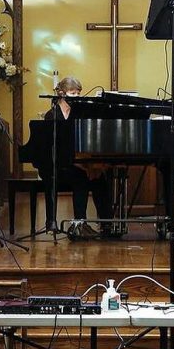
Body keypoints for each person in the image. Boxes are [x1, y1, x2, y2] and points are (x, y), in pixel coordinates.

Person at [37, 76, 113, 239]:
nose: (77, 97)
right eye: (73, 93)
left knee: (100, 178)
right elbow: (53, 148)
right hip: (59, 165)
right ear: (62, 93)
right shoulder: (52, 115)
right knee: (81, 177)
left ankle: (107, 223)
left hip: (77, 160)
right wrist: (83, 167)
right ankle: (79, 224)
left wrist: (91, 166)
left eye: (79, 93)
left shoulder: (79, 113)